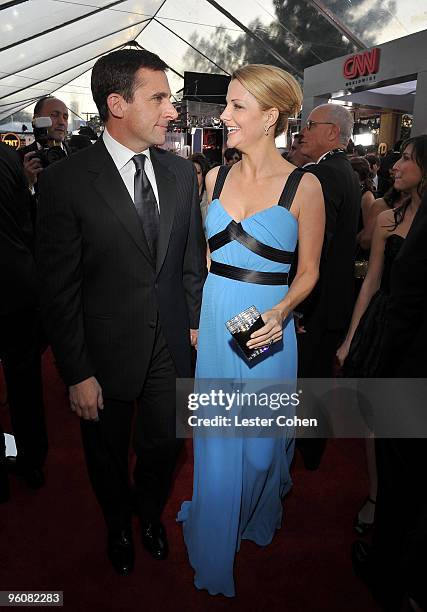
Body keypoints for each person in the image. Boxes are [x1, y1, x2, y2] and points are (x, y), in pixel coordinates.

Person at [36, 49, 206, 576]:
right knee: (106, 454)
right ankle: (117, 526)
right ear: (116, 104)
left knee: (166, 446)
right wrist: (77, 371)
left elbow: (189, 263)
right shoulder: (65, 182)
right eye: (158, 98)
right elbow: (57, 289)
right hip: (102, 354)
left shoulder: (181, 174)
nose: (172, 110)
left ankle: (149, 514)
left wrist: (195, 325)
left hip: (172, 347)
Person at [178, 63, 325, 597]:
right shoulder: (214, 177)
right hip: (218, 324)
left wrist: (283, 312)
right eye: (227, 104)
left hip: (268, 329)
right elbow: (201, 259)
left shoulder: (304, 186)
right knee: (218, 444)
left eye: (237, 107)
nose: (224, 116)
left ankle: (257, 502)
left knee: (261, 449)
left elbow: (309, 272)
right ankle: (216, 541)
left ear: (270, 117)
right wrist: (196, 320)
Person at [337, 135, 427, 538]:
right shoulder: (388, 218)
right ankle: (377, 496)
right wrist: (350, 338)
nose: (397, 164)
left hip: (417, 337)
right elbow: (371, 281)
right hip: (382, 326)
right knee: (375, 422)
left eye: (407, 159)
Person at [295, 103, 360, 469]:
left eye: (311, 125)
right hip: (332, 301)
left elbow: (315, 248)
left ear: (332, 132)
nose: (303, 131)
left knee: (306, 378)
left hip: (315, 305)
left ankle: (306, 448)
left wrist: (300, 303)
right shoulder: (343, 171)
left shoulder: (322, 175)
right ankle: (311, 448)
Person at [0, 141, 47, 495]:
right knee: (24, 381)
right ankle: (32, 461)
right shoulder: (7, 158)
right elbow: (29, 224)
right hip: (18, 283)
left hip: (16, 285)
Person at [19, 96, 70, 189]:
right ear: (36, 119)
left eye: (65, 117)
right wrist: (27, 184)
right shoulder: (20, 158)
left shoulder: (78, 156)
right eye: (54, 115)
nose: (62, 122)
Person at [189, 152, 210, 228]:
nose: (194, 176)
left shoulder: (209, 200)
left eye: (198, 172)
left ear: (204, 174)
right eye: (192, 172)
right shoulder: (183, 197)